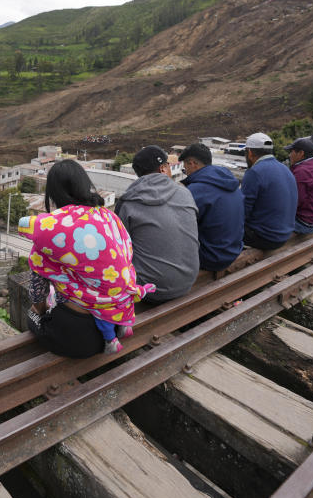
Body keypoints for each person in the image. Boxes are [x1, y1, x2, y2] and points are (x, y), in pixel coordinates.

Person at [19, 160, 154, 356]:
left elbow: (38, 291)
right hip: (119, 320)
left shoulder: (51, 230)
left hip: (77, 336)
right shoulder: (109, 217)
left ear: (53, 193)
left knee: (33, 315)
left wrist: (40, 309)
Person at [114, 145, 199, 304]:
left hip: (150, 290)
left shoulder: (128, 202)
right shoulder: (185, 193)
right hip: (188, 280)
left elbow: (120, 250)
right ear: (163, 168)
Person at [178, 143, 244, 273]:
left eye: (185, 169)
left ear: (192, 163)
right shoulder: (230, 182)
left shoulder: (195, 191)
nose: (186, 173)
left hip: (211, 258)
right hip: (234, 250)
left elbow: (179, 227)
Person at [241, 133, 297, 251]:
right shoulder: (284, 169)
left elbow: (242, 211)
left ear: (250, 152)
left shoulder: (254, 172)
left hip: (265, 237)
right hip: (284, 234)